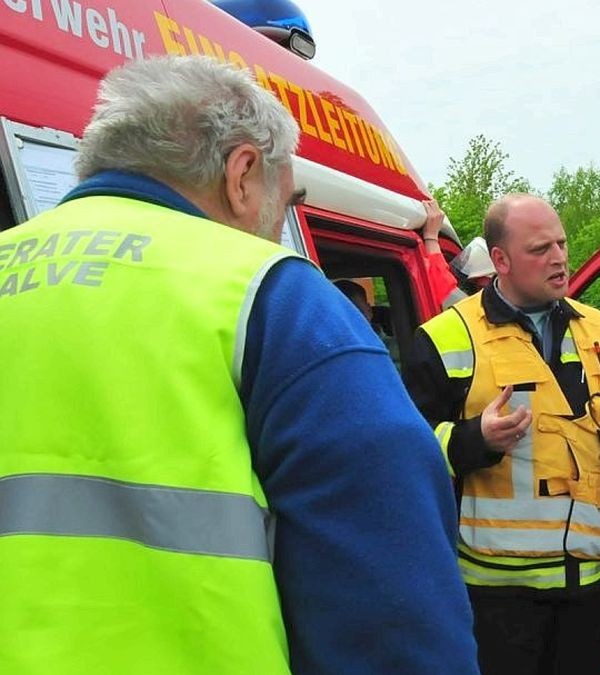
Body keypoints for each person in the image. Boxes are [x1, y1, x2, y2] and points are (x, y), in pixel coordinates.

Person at [0, 56, 476, 674]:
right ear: (243, 173)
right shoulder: (277, 297)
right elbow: (394, 612)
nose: (281, 227)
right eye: (287, 203)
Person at [402, 193, 600, 675]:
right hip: (500, 594)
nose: (560, 258)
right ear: (499, 260)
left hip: (587, 583)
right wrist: (472, 439)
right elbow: (403, 450)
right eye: (541, 249)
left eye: (561, 244)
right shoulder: (445, 337)